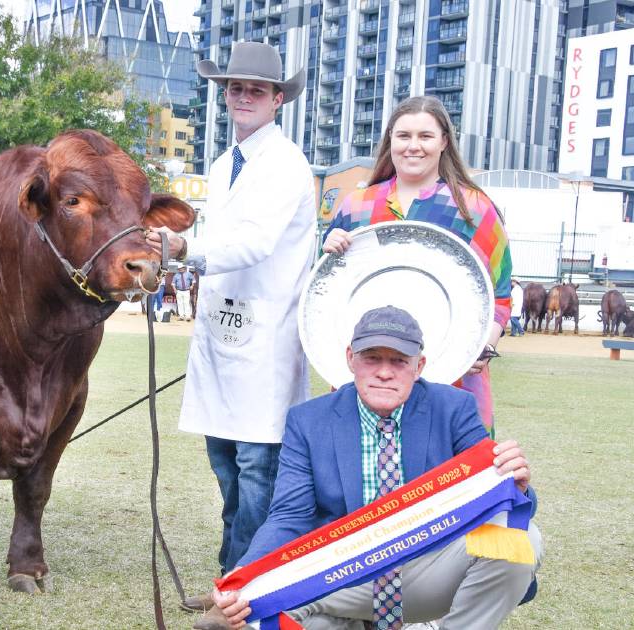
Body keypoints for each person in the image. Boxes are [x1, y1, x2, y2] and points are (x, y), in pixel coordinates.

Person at [210, 306, 541, 630]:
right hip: (343, 575)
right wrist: (245, 574)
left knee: (521, 538)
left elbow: (497, 496)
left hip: (426, 569)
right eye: (372, 358)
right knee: (256, 611)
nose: (385, 372)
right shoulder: (308, 421)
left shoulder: (454, 408)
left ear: (419, 365)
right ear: (351, 359)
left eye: (398, 361)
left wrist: (518, 486)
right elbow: (289, 516)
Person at [145, 42, 317, 626]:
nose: (244, 96)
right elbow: (221, 245)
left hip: (268, 336)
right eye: (235, 88)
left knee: (258, 470)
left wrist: (182, 248)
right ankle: (232, 578)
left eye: (256, 89)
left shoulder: (287, 164)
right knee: (225, 463)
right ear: (226, 95)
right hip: (222, 332)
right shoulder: (223, 166)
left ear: (277, 100)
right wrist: (173, 257)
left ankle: (246, 588)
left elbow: (255, 243)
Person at [321, 96, 512, 434]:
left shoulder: (474, 210)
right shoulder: (357, 207)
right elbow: (326, 295)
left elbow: (498, 294)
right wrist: (329, 251)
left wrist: (485, 345)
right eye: (403, 136)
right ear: (390, 141)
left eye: (425, 136)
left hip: (453, 378)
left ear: (443, 143)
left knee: (453, 478)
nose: (413, 146)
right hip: (370, 379)